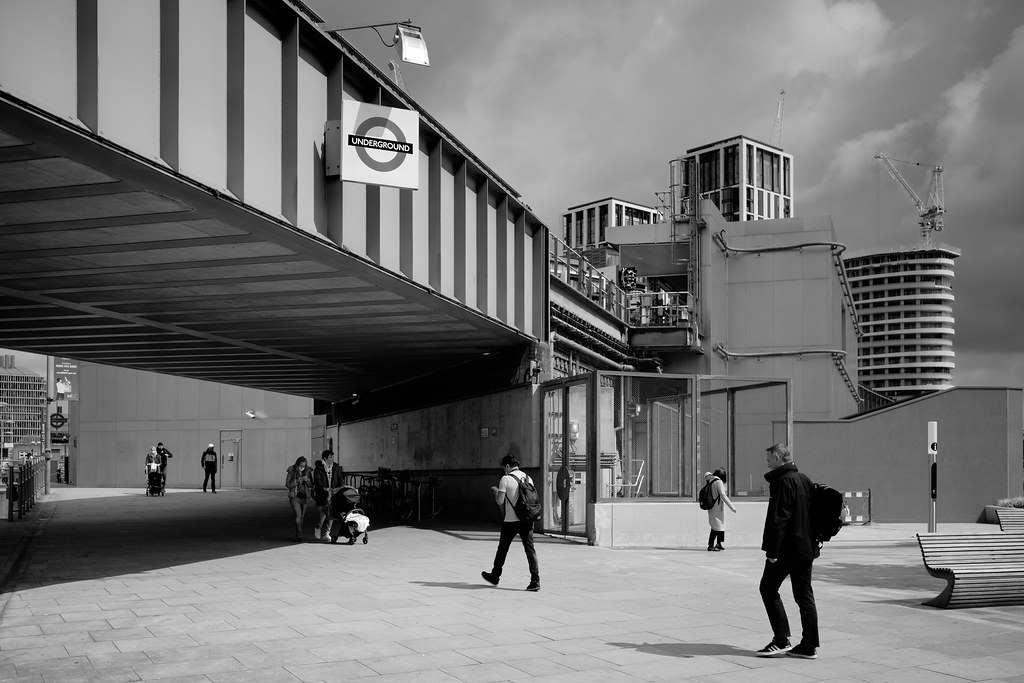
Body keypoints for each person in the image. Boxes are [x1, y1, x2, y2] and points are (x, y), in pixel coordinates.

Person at [756, 443, 819, 660]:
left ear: (776, 457)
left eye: (768, 459)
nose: (767, 463)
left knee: (767, 588)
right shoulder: (804, 480)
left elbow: (779, 518)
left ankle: (781, 639)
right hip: (806, 549)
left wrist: (772, 551)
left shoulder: (782, 481)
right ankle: (809, 646)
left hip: (786, 550)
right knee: (804, 597)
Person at [481, 453, 540, 592]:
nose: (504, 470)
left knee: (502, 549)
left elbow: (500, 501)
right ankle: (535, 580)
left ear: (507, 466)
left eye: (504, 468)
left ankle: (495, 576)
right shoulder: (528, 477)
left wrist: (496, 491)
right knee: (530, 550)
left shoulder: (506, 478)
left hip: (511, 520)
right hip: (527, 519)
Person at [312, 449, 343, 541]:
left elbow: (339, 479)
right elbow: (317, 481)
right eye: (330, 457)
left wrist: (340, 487)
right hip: (322, 494)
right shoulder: (318, 468)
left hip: (333, 493)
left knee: (331, 514)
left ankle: (326, 533)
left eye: (333, 457)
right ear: (325, 458)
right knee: (323, 513)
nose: (332, 459)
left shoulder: (336, 467)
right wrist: (324, 488)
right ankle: (318, 527)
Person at [706, 467, 737, 551]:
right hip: (717, 507)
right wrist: (732, 507)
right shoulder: (718, 482)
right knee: (716, 527)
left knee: (719, 526)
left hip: (714, 507)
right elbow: (723, 495)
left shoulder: (712, 481)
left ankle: (718, 543)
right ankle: (711, 545)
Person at [285, 456, 314, 541]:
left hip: (305, 496)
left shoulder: (308, 471)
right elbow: (288, 484)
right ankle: (299, 534)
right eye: (300, 466)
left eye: (304, 466)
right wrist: (297, 481)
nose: (302, 468)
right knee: (298, 516)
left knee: (302, 517)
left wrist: (307, 480)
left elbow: (311, 485)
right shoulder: (291, 470)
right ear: (297, 465)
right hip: (295, 497)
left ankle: (298, 531)